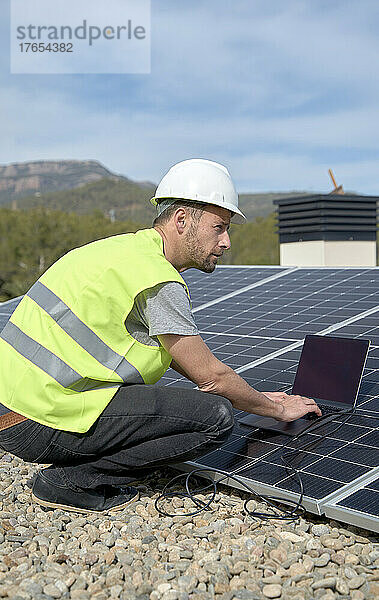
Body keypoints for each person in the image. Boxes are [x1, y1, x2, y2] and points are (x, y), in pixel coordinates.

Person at [0, 159, 321, 514]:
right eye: (219, 228)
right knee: (215, 417)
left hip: (17, 407)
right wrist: (276, 408)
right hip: (38, 421)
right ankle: (73, 481)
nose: (227, 242)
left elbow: (183, 358)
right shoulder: (156, 277)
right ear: (181, 220)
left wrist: (256, 396)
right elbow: (211, 378)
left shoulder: (121, 251)